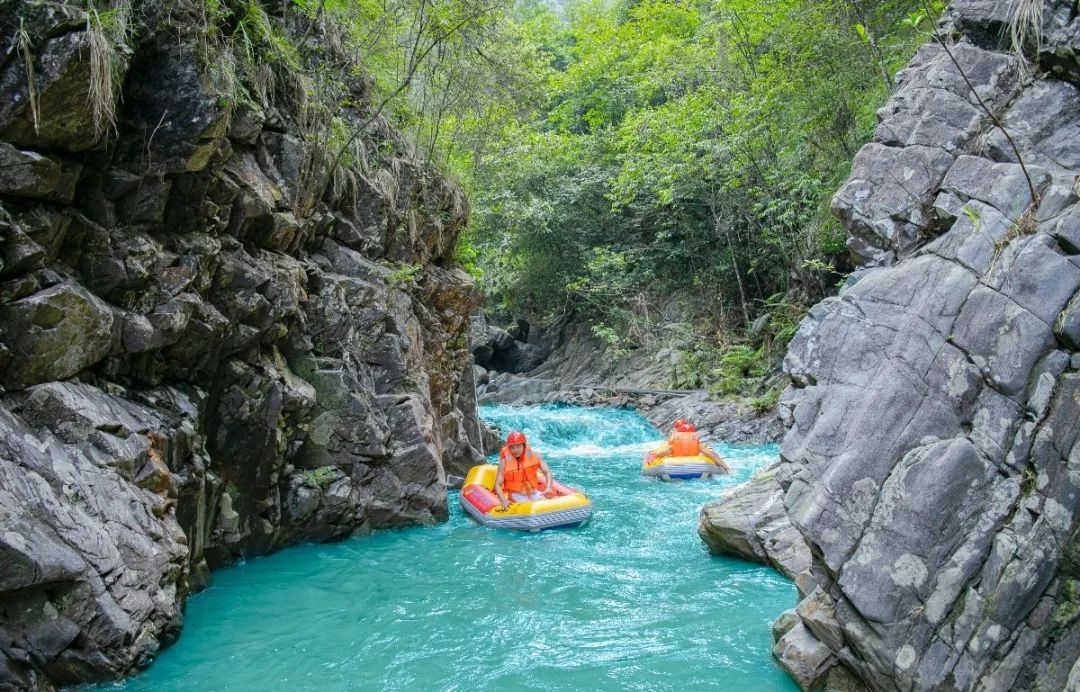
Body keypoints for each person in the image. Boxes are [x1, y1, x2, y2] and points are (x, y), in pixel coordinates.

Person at [494, 431, 557, 509]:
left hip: (534, 493)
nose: (515, 450)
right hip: (517, 496)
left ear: (524, 445)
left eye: (518, 446)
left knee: (550, 505)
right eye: (512, 447)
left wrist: (548, 487)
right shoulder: (504, 462)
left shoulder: (536, 455)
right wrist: (503, 500)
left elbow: (547, 472)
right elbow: (497, 485)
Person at [649, 419, 731, 473]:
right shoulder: (697, 445)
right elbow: (713, 455)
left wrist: (652, 457)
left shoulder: (672, 445)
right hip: (697, 464)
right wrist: (726, 468)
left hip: (672, 463)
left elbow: (658, 454)